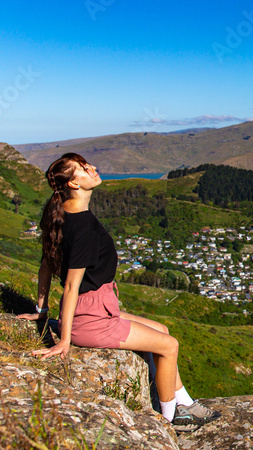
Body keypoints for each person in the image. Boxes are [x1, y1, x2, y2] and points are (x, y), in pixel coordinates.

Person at [18, 152, 218, 432]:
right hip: (89, 317)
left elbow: (44, 265)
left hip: (95, 309)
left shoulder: (62, 213)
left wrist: (42, 311)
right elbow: (72, 285)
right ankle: (171, 417)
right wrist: (64, 341)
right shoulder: (83, 226)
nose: (93, 168)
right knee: (170, 345)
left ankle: (184, 399)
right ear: (74, 184)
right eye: (85, 168)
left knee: (161, 329)